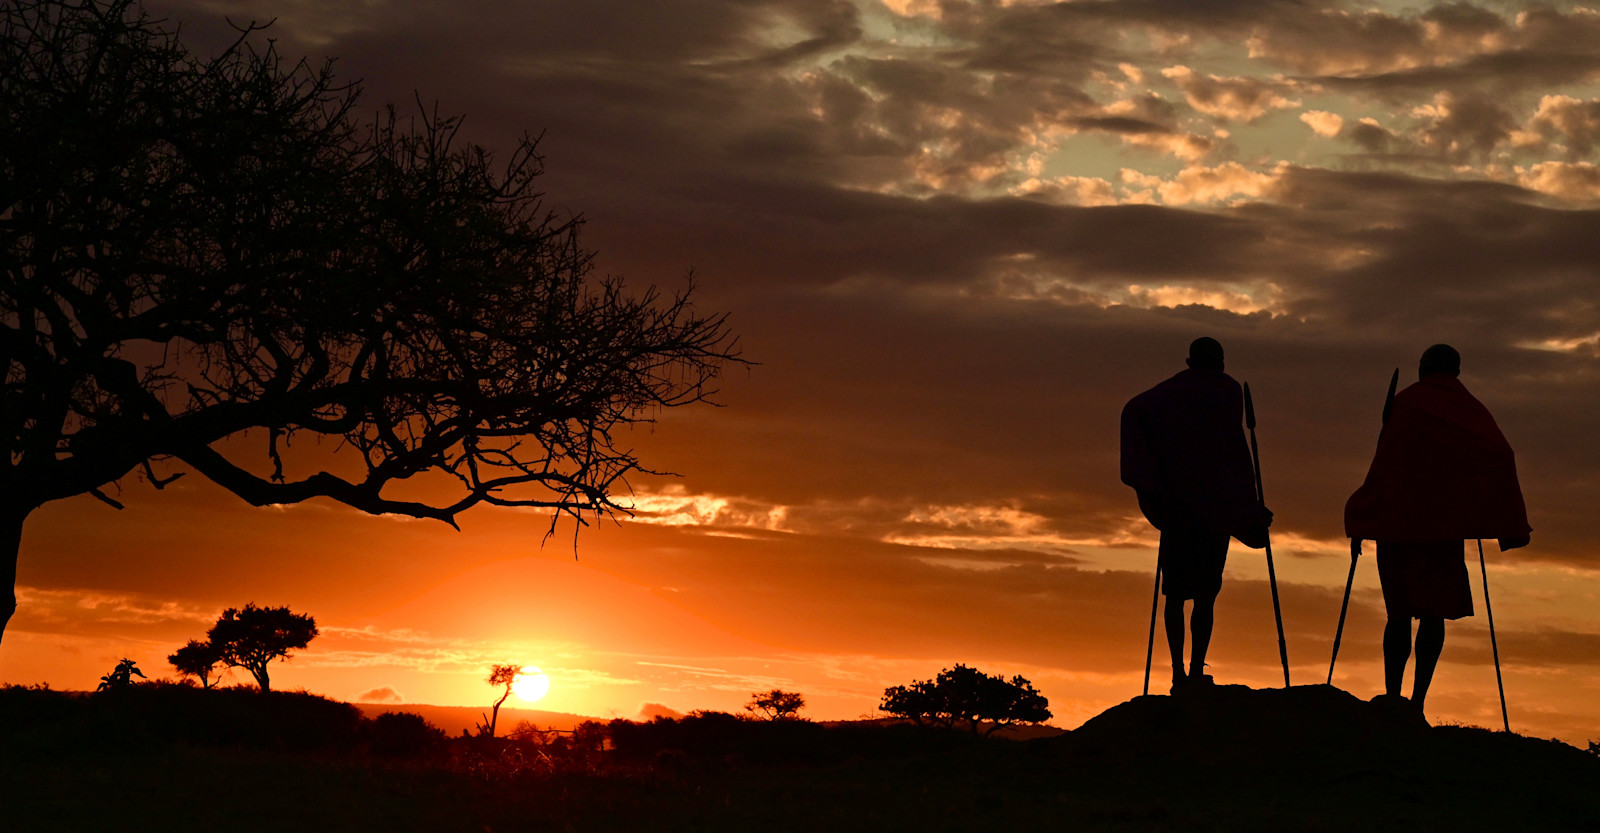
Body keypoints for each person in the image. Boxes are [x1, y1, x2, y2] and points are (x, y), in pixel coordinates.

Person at [1345, 344, 1530, 716]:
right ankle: (1417, 703)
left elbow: (1385, 466)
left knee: (1399, 614)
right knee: (1433, 614)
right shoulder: (1470, 409)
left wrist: (1364, 518)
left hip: (1399, 527)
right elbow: (1499, 454)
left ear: (1423, 368)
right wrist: (1489, 512)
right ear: (1456, 370)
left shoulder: (1405, 403)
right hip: (1443, 530)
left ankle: (1394, 697)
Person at [1121, 337, 1272, 693]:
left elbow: (1134, 408)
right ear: (1220, 361)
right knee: (1205, 594)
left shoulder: (1169, 393)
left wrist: (1155, 482)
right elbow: (1234, 453)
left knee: (1175, 595)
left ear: (1189, 361)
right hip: (1214, 509)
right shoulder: (1227, 390)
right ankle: (1192, 670)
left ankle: (1180, 673)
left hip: (1178, 509)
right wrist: (1246, 503)